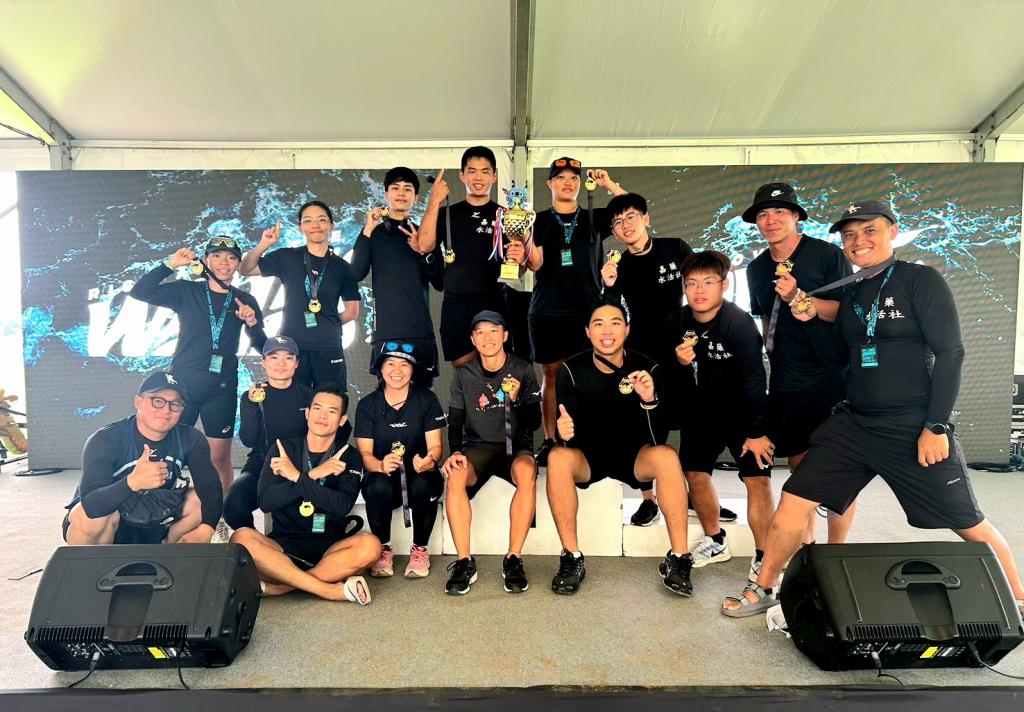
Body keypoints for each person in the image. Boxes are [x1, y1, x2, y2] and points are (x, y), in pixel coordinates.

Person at [723, 201, 1024, 618]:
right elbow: (837, 356)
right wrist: (809, 317)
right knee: (794, 497)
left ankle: (1018, 598)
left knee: (966, 521)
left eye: (869, 231)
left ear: (892, 232)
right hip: (855, 423)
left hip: (911, 423)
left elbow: (951, 353)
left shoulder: (920, 279)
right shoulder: (852, 292)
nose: (858, 241)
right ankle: (764, 586)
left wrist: (936, 426)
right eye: (850, 235)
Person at [546, 298, 694, 596]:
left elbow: (658, 438)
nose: (607, 331)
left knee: (666, 457)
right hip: (589, 456)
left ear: (627, 329)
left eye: (615, 323)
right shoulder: (571, 370)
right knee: (558, 457)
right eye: (598, 324)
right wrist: (563, 434)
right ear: (588, 331)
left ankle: (679, 558)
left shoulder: (648, 368)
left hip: (634, 456)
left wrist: (649, 400)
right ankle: (572, 557)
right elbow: (567, 433)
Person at [742, 182, 853, 555]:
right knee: (800, 465)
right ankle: (807, 549)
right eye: (763, 214)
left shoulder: (827, 255)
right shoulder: (756, 268)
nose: (770, 220)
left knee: (838, 469)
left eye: (779, 212)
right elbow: (763, 320)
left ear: (795, 216)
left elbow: (846, 312)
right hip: (787, 379)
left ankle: (836, 553)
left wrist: (798, 298)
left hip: (832, 375)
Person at [130, 237, 266, 493]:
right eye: (217, 256)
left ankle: (222, 511)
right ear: (205, 260)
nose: (224, 262)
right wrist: (170, 264)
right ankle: (158, 507)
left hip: (222, 389)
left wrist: (252, 323)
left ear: (238, 264)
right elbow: (139, 291)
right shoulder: (186, 291)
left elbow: (262, 345)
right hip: (183, 388)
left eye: (231, 257)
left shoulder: (244, 300)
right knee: (166, 452)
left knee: (218, 457)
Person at [669, 251, 773, 584]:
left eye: (708, 282)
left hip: (743, 412)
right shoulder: (679, 320)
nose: (699, 290)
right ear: (684, 287)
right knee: (695, 474)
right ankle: (715, 540)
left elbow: (755, 379)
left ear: (724, 285)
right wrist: (680, 363)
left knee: (757, 480)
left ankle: (765, 556)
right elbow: (671, 372)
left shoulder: (738, 323)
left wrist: (756, 432)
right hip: (702, 411)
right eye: (692, 283)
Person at [520, 158, 627, 465]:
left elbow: (630, 208)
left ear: (581, 183)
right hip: (548, 311)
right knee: (551, 376)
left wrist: (609, 184)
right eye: (560, 178)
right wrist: (524, 235)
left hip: (589, 311)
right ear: (549, 183)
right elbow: (535, 263)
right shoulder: (538, 220)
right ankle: (551, 440)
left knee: (591, 374)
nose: (567, 183)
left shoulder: (595, 215)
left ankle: (588, 438)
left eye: (573, 178)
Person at [230, 385, 378, 604]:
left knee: (371, 546)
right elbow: (266, 502)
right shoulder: (282, 448)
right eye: (317, 408)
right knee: (241, 538)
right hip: (283, 545)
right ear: (307, 413)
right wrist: (314, 474)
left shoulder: (349, 455)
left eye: (331, 411)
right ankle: (327, 589)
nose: (322, 415)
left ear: (342, 420)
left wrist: (296, 477)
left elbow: (342, 505)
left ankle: (280, 587)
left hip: (330, 546)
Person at [600, 192, 695, 526]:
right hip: (642, 352)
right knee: (645, 424)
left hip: (681, 348)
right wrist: (609, 285)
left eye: (631, 217)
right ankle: (648, 499)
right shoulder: (619, 265)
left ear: (646, 219)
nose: (625, 225)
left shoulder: (676, 248)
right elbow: (611, 311)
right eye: (618, 222)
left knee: (690, 419)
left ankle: (695, 493)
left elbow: (699, 285)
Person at [441, 311, 541, 595]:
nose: (488, 337)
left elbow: (534, 422)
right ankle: (464, 561)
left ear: (505, 335)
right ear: (473, 339)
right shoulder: (464, 373)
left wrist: (516, 399)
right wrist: (455, 452)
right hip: (479, 447)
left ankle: (513, 558)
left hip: (515, 446)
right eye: (481, 333)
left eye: (494, 331)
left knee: (526, 472)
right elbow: (455, 419)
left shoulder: (522, 368)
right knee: (456, 475)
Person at [62, 372, 222, 545]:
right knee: (89, 518)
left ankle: (170, 554)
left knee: (199, 502)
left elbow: (210, 487)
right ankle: (100, 562)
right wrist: (133, 481)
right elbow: (91, 505)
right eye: (158, 401)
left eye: (175, 404)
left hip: (155, 514)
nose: (166, 410)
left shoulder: (190, 438)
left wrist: (208, 528)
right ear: (138, 402)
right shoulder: (106, 438)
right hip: (113, 519)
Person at [238, 199, 361, 389]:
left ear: (331, 226)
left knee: (331, 402)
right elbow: (245, 269)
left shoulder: (342, 267)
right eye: (308, 221)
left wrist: (326, 322)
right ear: (300, 228)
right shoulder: (287, 256)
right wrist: (264, 244)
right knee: (294, 402)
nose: (315, 225)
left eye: (322, 219)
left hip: (328, 347)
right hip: (291, 348)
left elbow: (352, 312)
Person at [355, 344, 446, 579]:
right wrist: (380, 465)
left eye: (404, 364)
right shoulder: (367, 405)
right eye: (390, 364)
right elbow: (365, 455)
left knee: (423, 483)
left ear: (412, 370)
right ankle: (383, 549)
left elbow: (436, 447)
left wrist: (429, 460)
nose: (397, 370)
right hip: (385, 476)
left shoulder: (427, 399)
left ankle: (420, 550)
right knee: (377, 484)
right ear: (380, 370)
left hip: (419, 474)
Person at [418, 147, 512, 367]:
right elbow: (424, 244)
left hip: (493, 300)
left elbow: (520, 266)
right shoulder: (446, 214)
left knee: (495, 370)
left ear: (494, 176)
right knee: (464, 373)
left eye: (485, 171)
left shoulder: (506, 216)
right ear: (462, 175)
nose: (478, 177)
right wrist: (434, 201)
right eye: (472, 171)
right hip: (456, 303)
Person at [350, 167, 440, 386]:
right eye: (395, 188)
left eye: (408, 189)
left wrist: (423, 251)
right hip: (387, 332)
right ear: (386, 194)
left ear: (416, 198)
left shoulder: (424, 235)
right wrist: (368, 228)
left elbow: (440, 282)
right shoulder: (373, 234)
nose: (401, 193)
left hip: (419, 331)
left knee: (422, 397)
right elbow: (355, 273)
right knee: (387, 395)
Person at [223, 336, 312, 531]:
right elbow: (248, 440)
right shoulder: (252, 396)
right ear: (263, 362)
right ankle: (254, 545)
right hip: (262, 463)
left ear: (296, 363)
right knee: (233, 505)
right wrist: (251, 406)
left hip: (301, 466)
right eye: (274, 357)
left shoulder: (309, 396)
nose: (281, 363)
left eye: (288, 358)